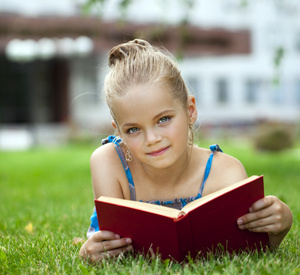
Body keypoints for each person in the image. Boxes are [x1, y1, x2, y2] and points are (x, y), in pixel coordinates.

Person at [79, 39, 293, 262]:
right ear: (119, 132)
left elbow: (248, 250)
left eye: (163, 119)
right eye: (133, 129)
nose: (152, 139)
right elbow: (109, 246)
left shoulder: (225, 171)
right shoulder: (109, 162)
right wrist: (90, 253)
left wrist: (278, 228)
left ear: (190, 111)